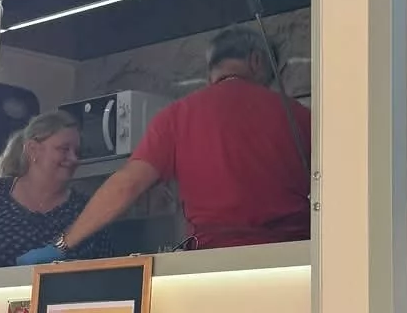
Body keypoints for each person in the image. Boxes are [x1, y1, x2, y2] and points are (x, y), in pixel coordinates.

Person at [19, 26, 311, 262]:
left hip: (215, 265)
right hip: (296, 260)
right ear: (257, 61)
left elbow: (127, 184)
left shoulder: (177, 116)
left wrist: (61, 245)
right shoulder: (299, 115)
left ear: (212, 67)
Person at [0, 110, 106, 270]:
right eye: (64, 149)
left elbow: (106, 268)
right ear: (33, 149)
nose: (74, 158)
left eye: (77, 152)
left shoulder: (85, 209)